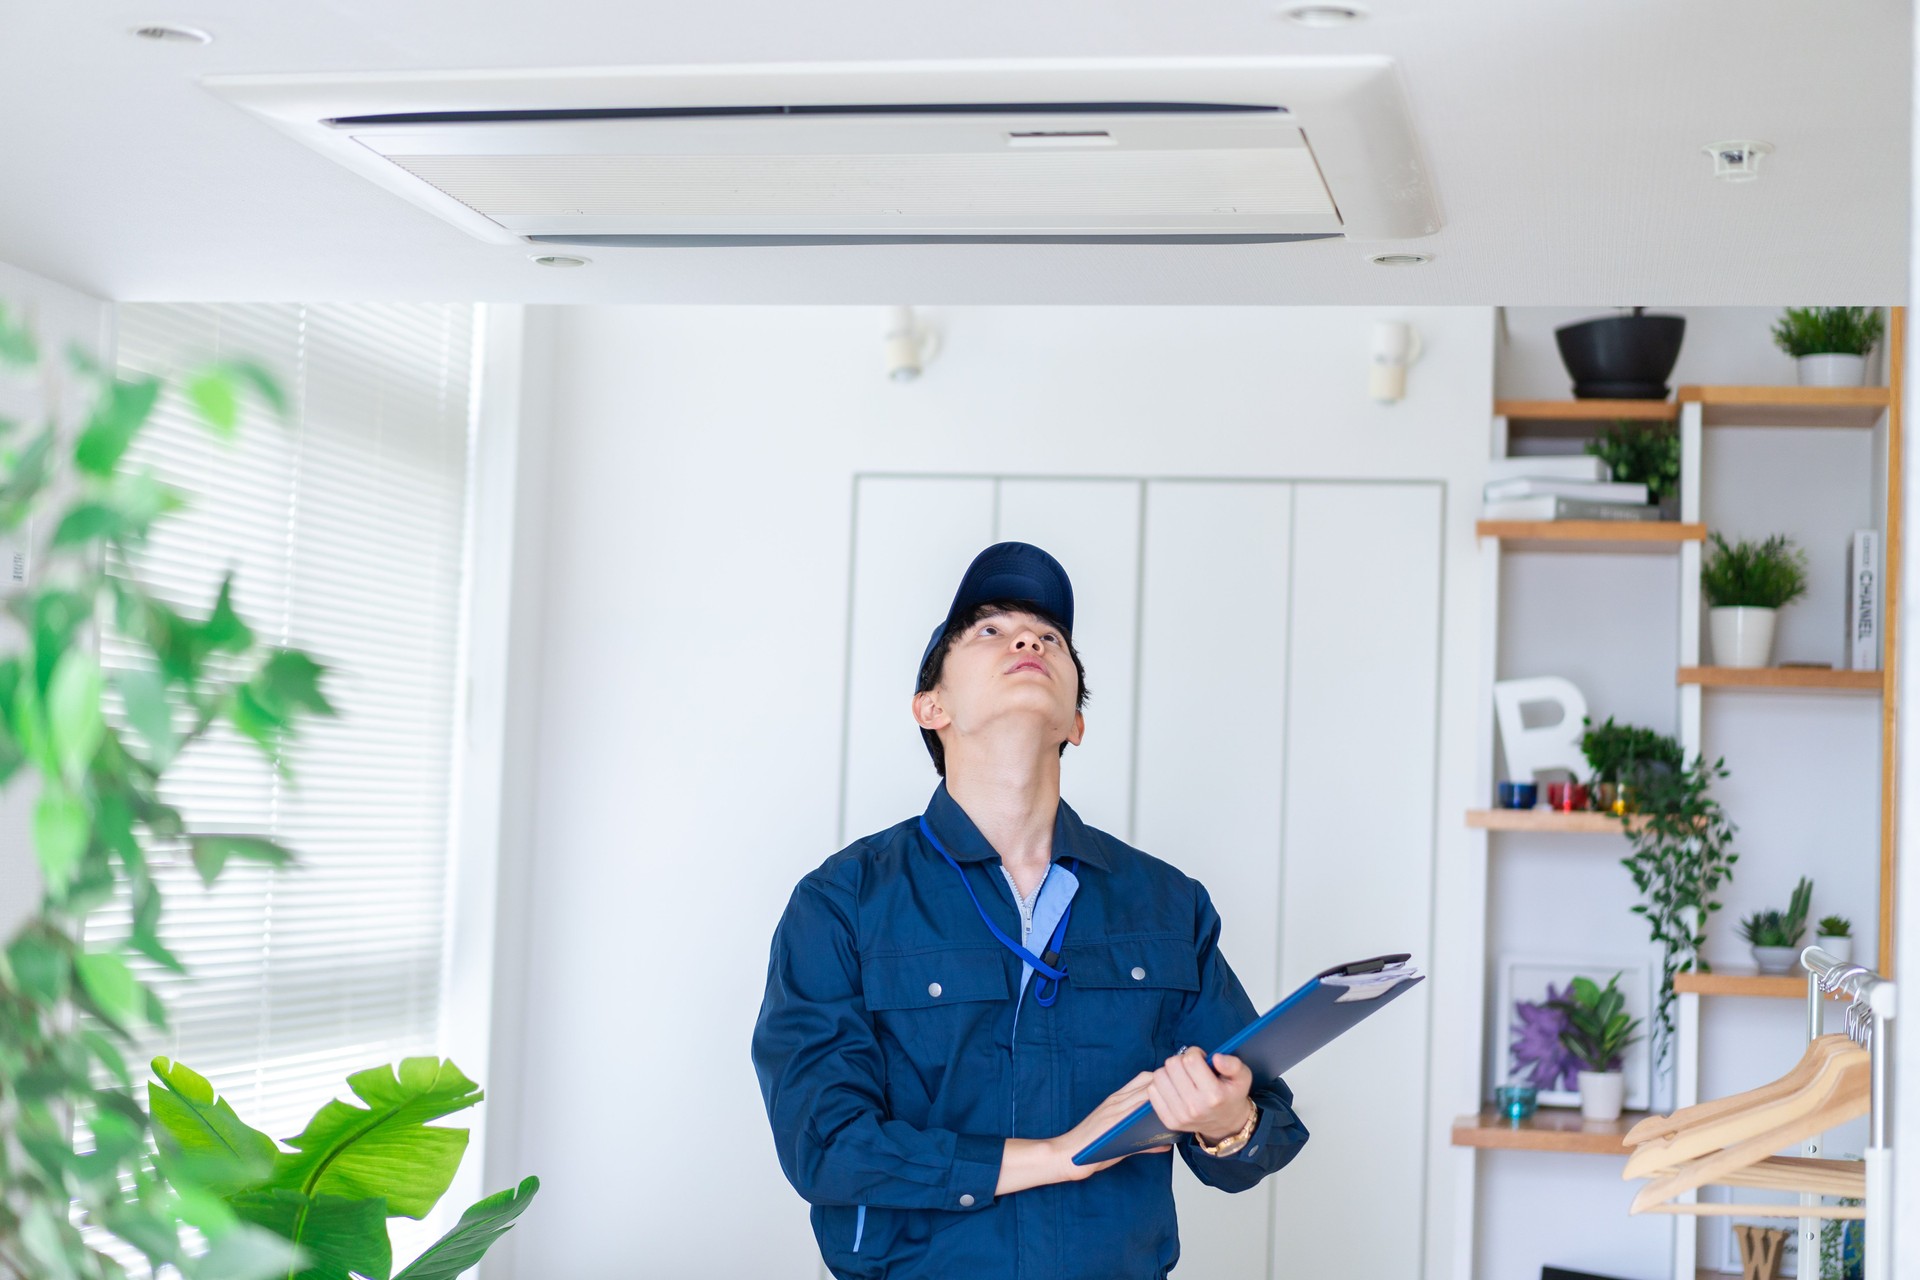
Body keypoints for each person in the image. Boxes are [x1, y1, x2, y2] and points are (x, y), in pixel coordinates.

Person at [752, 542, 1309, 1279]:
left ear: (1074, 723)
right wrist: (1057, 1156)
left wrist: (1227, 1123)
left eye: (1051, 639)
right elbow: (826, 1146)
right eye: (989, 630)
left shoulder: (1169, 904)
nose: (1029, 641)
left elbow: (1264, 1129)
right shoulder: (843, 903)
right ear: (932, 707)